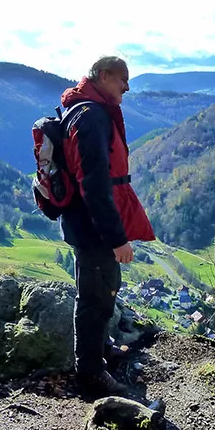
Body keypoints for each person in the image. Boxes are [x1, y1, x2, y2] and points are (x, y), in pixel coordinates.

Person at [59, 56, 156, 396]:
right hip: (93, 227)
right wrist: (117, 239)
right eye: (122, 79)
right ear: (102, 76)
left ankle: (100, 351)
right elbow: (95, 184)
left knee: (105, 291)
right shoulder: (93, 117)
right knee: (94, 298)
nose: (127, 87)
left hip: (85, 222)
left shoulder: (81, 111)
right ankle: (89, 372)